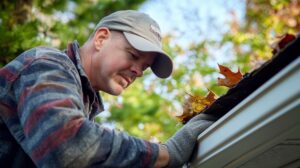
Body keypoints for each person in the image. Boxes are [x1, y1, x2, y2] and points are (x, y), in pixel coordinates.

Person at [0, 10, 215, 167]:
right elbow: (68, 145)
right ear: (101, 39)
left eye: (145, 67)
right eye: (133, 55)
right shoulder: (45, 63)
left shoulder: (83, 103)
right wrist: (167, 154)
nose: (138, 72)